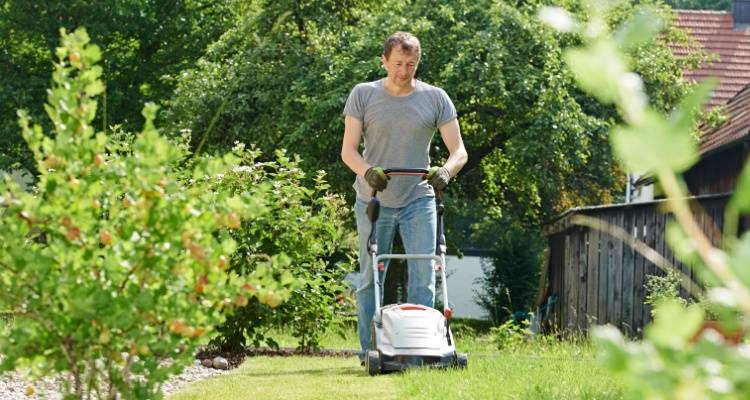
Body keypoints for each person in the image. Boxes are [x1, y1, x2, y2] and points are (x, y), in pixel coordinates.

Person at [340, 31, 468, 363]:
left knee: (424, 273)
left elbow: (459, 152)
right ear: (384, 61)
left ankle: (420, 351)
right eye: (398, 63)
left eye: (411, 64)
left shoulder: (436, 98)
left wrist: (446, 171)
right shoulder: (363, 95)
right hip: (373, 199)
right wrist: (368, 171)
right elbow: (348, 151)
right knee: (371, 277)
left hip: (418, 197)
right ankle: (370, 350)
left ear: (418, 63)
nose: (403, 71)